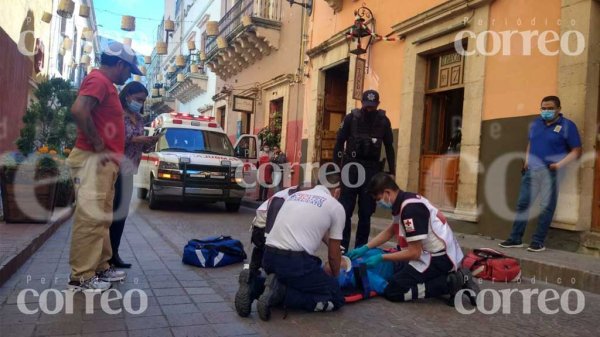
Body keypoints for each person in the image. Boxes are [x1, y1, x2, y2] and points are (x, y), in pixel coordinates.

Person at [66, 40, 143, 292]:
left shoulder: (105, 84)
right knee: (90, 219)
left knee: (101, 219)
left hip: (103, 163)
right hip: (93, 160)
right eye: (129, 70)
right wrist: (98, 144)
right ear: (119, 64)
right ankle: (82, 277)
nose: (129, 75)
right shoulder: (99, 80)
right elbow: (79, 110)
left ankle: (100, 267)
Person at [346, 173, 478, 304]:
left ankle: (451, 282)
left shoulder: (410, 210)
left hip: (439, 258)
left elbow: (414, 253)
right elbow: (391, 231)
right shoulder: (403, 202)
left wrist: (381, 258)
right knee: (398, 274)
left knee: (394, 290)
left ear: (387, 192)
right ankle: (443, 279)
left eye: (378, 199)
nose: (377, 203)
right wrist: (365, 248)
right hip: (433, 253)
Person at [257, 172, 346, 321]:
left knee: (310, 267)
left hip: (268, 258)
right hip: (293, 263)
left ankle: (254, 285)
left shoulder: (295, 196)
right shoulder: (335, 206)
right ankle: (282, 294)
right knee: (335, 296)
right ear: (337, 190)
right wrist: (334, 277)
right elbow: (333, 254)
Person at [500, 96, 582, 252]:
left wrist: (559, 165)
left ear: (558, 109)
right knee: (522, 205)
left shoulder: (567, 126)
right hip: (531, 171)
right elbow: (531, 142)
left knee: (546, 207)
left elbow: (577, 151)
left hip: (550, 172)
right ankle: (515, 238)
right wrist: (526, 161)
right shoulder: (536, 124)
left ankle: (537, 242)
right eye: (543, 108)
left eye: (550, 108)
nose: (546, 111)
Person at [333, 89, 396, 252]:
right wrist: (338, 172)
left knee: (366, 213)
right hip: (351, 168)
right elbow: (339, 144)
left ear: (378, 104)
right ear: (362, 103)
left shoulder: (383, 121)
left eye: (372, 106)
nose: (369, 109)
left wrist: (392, 172)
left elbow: (389, 147)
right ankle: (342, 249)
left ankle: (359, 250)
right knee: (345, 211)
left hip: (371, 170)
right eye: (367, 106)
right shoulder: (351, 118)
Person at [109, 82, 159, 268]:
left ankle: (115, 253)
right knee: (110, 213)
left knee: (121, 213)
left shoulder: (138, 118)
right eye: (138, 99)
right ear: (127, 95)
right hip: (114, 168)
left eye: (143, 101)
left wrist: (151, 142)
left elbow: (141, 146)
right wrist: (136, 139)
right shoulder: (117, 115)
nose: (140, 103)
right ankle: (105, 255)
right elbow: (113, 139)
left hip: (129, 170)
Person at [235, 185, 302, 317]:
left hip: (258, 229)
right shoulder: (297, 200)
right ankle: (271, 288)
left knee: (257, 259)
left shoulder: (285, 192)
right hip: (273, 233)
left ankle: (249, 276)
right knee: (279, 267)